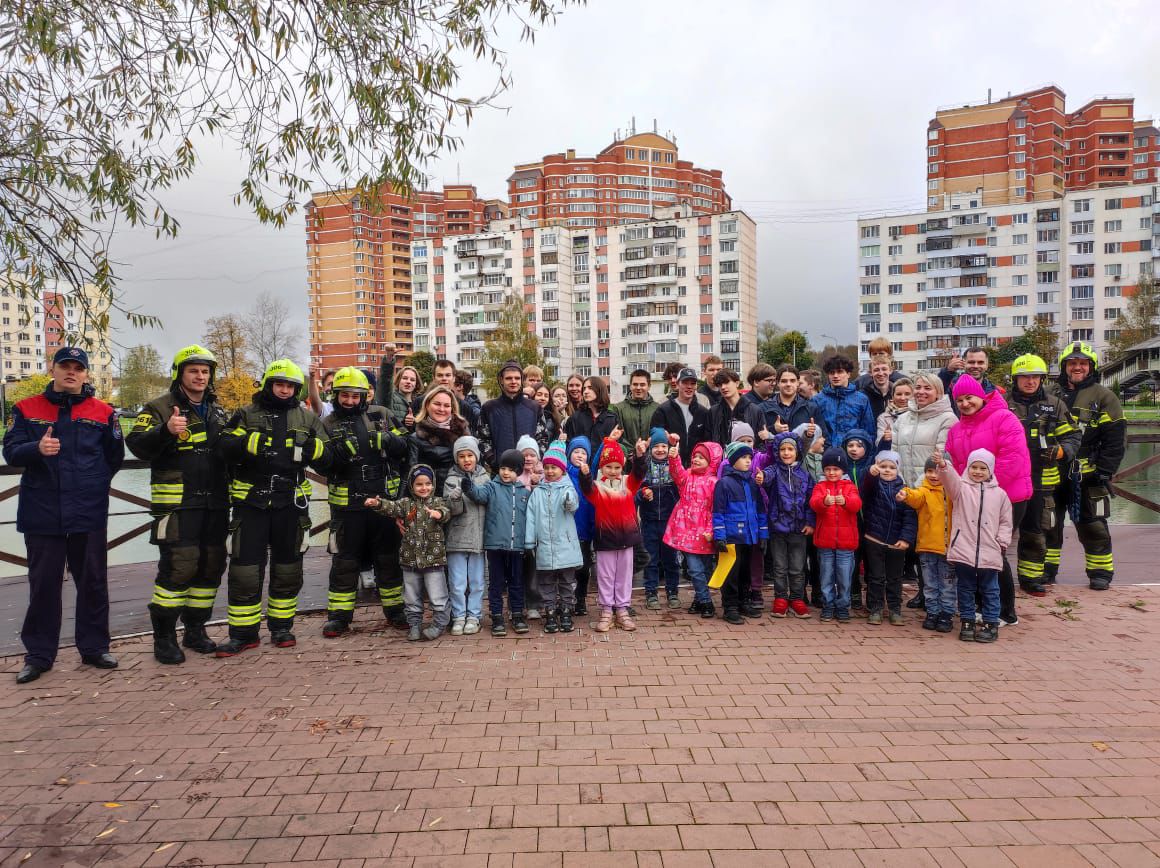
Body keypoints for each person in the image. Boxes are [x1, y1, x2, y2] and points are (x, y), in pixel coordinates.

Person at [4, 347, 124, 684]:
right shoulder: (27, 409)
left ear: (85, 374)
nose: (71, 372)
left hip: (87, 511)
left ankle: (95, 647)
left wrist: (93, 487)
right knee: (43, 586)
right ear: (52, 369)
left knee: (93, 583)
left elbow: (113, 458)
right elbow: (11, 452)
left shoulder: (104, 412)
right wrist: (36, 450)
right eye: (65, 366)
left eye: (78, 368)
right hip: (42, 513)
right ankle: (39, 656)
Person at [215, 359, 331, 656]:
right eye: (279, 384)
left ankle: (282, 628)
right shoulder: (245, 414)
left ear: (296, 388)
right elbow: (223, 448)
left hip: (290, 505)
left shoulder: (306, 418)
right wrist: (247, 443)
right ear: (268, 384)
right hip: (251, 502)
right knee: (245, 571)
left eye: (289, 385)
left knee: (288, 569)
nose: (283, 390)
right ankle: (243, 634)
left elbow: (331, 456)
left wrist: (313, 450)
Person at [126, 344, 230, 663]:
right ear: (179, 374)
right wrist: (166, 431)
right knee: (178, 568)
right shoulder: (158, 407)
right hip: (177, 505)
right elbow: (137, 445)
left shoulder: (218, 410)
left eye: (204, 371)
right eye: (193, 370)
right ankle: (164, 637)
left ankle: (195, 630)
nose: (200, 376)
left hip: (214, 503)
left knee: (211, 566)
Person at [319, 367, 409, 636]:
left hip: (382, 499)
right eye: (344, 395)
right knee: (345, 562)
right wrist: (338, 454)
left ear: (364, 396)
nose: (349, 401)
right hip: (348, 505)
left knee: (388, 558)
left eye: (355, 396)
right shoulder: (329, 423)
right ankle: (339, 617)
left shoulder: (381, 414)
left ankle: (395, 611)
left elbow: (406, 446)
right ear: (335, 395)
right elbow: (321, 463)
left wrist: (389, 439)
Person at [945, 374, 1031, 628]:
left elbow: (1012, 458)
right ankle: (983, 607)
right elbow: (960, 468)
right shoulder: (956, 430)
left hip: (1007, 496)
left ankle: (1005, 611)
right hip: (973, 502)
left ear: (981, 396)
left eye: (969, 397)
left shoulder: (1005, 418)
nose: (965, 403)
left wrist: (987, 492)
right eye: (959, 400)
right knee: (974, 552)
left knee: (994, 553)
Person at [1044, 342, 1126, 591]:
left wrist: (1105, 470)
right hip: (1052, 473)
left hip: (1088, 475)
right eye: (1072, 363)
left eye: (1082, 363)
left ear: (1091, 367)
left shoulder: (1104, 397)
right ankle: (1046, 570)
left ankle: (1100, 572)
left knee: (1094, 527)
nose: (1077, 367)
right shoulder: (1049, 393)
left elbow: (1115, 437)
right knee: (1048, 523)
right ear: (1064, 366)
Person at [1007, 354, 1080, 597]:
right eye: (1025, 377)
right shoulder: (1002, 403)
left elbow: (1072, 436)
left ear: (1042, 378)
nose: (1030, 381)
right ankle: (994, 578)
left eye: (1035, 377)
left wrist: (1062, 451)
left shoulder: (1055, 405)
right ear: (1015, 379)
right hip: (1008, 480)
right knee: (999, 531)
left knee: (1036, 531)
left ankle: (1030, 578)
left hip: (1041, 480)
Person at [365, 465, 451, 641]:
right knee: (411, 596)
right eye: (419, 484)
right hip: (409, 561)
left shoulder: (438, 502)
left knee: (437, 595)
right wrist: (378, 503)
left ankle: (439, 623)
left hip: (433, 561)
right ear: (412, 486)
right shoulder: (406, 504)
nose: (424, 488)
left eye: (428, 484)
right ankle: (414, 625)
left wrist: (438, 514)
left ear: (433, 484)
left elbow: (446, 512)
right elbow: (392, 507)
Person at [936, 449, 1012, 644]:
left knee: (991, 589)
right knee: (965, 587)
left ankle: (990, 623)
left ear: (990, 470)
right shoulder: (961, 489)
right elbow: (949, 481)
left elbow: (1005, 521)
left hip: (990, 550)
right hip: (964, 548)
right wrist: (944, 466)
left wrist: (1002, 542)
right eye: (974, 467)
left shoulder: (1000, 495)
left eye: (982, 468)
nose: (977, 472)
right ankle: (967, 621)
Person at [578, 436, 647, 632]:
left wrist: (640, 456)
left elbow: (639, 473)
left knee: (624, 576)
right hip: (605, 540)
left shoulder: (629, 484)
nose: (613, 471)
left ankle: (622, 610)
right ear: (602, 468)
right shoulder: (597, 488)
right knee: (606, 576)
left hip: (627, 539)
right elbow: (587, 489)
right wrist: (585, 475)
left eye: (617, 467)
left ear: (623, 467)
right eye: (609, 467)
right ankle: (607, 610)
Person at [462, 449, 532, 636]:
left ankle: (517, 614)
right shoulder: (491, 487)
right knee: (496, 583)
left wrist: (528, 541)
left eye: (510, 469)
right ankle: (497, 616)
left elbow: (529, 519)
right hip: (495, 545)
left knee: (516, 582)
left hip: (516, 546)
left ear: (518, 471)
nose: (506, 472)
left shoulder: (524, 493)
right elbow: (478, 495)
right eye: (502, 468)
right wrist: (468, 486)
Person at [525, 440, 582, 634]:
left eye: (554, 468)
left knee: (567, 581)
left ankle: (566, 610)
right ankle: (549, 610)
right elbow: (531, 517)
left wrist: (568, 500)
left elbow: (573, 505)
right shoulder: (537, 492)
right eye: (547, 467)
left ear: (562, 470)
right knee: (546, 582)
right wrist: (530, 541)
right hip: (545, 546)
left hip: (565, 545)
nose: (550, 471)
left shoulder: (568, 488)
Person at [664, 436, 723, 618]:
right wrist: (673, 457)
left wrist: (712, 530)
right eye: (695, 456)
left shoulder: (714, 483)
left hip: (705, 532)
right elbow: (676, 472)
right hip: (687, 531)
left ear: (711, 462)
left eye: (702, 457)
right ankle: (706, 602)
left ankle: (698, 599)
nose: (696, 459)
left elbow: (716, 509)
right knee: (694, 569)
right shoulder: (687, 477)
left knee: (705, 569)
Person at [859, 450, 917, 626]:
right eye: (883, 466)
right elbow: (865, 487)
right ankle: (875, 608)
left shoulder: (905, 491)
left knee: (895, 577)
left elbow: (910, 518)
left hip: (896, 543)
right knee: (875, 576)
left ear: (897, 469)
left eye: (891, 467)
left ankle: (894, 609)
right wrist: (871, 473)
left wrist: (906, 539)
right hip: (874, 539)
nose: (887, 470)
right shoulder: (874, 486)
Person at [713, 442, 768, 625]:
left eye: (750, 458)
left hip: (749, 536)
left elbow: (760, 510)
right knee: (731, 574)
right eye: (743, 458)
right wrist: (719, 535)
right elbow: (718, 512)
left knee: (745, 571)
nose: (748, 461)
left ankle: (744, 601)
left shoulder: (753, 483)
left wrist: (763, 534)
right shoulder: (724, 483)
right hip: (731, 536)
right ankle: (730, 606)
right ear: (734, 459)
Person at [763, 432, 815, 619]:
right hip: (778, 528)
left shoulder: (805, 474)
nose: (786, 453)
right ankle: (781, 598)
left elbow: (811, 500)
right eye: (783, 449)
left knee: (797, 567)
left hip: (799, 529)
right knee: (779, 566)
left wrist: (810, 522)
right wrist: (761, 476)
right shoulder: (773, 470)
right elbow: (766, 477)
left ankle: (796, 598)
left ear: (797, 451)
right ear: (777, 451)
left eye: (790, 449)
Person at [900, 457, 955, 633]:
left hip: (947, 548)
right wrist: (906, 494)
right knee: (930, 584)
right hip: (926, 547)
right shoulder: (924, 491)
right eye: (929, 471)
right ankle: (932, 612)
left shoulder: (952, 492)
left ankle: (946, 613)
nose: (933, 475)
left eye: (937, 471)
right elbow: (915, 497)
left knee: (947, 584)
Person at [809, 449, 862, 623]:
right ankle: (828, 605)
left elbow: (856, 505)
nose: (832, 473)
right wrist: (824, 502)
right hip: (825, 542)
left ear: (843, 470)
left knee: (844, 577)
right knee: (826, 576)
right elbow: (814, 504)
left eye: (836, 469)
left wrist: (845, 501)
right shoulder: (820, 487)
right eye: (828, 469)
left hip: (846, 543)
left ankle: (843, 606)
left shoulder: (850, 487)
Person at [443, 436, 489, 636]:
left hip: (478, 539)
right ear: (456, 459)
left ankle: (474, 616)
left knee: (478, 582)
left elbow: (488, 501)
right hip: (457, 539)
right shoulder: (451, 480)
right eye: (461, 456)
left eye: (470, 455)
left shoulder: (485, 478)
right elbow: (450, 510)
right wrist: (454, 499)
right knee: (457, 582)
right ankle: (459, 615)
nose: (466, 459)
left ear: (476, 456)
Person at [478, 360, 551, 470]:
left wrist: (534, 460)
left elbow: (542, 438)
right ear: (501, 380)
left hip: (528, 473)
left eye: (517, 378)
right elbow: (482, 439)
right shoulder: (489, 408)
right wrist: (494, 460)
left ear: (521, 380)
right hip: (501, 473)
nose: (513, 381)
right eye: (508, 378)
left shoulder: (534, 408)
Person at [888, 373, 957, 487]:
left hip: (931, 489)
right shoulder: (902, 419)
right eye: (918, 387)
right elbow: (894, 454)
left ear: (938, 393)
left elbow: (940, 457)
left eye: (927, 388)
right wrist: (900, 484)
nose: (921, 392)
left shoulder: (948, 419)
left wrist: (918, 489)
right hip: (904, 491)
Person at [637, 428, 680, 610]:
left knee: (671, 559)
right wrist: (643, 493)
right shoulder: (645, 465)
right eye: (656, 446)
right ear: (650, 448)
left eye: (664, 445)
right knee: (651, 559)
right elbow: (635, 483)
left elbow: (682, 475)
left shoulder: (673, 464)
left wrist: (677, 447)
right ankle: (651, 593)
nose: (660, 449)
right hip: (650, 520)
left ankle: (673, 592)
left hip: (670, 521)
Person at [407, 386, 470, 496]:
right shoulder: (416, 438)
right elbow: (409, 475)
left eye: (446, 405)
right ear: (427, 405)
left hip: (460, 499)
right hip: (430, 501)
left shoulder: (464, 434)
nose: (441, 409)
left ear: (452, 409)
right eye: (437, 404)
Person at [812, 355, 876, 445]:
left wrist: (865, 456)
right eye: (832, 372)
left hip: (853, 454)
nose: (835, 376)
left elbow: (869, 432)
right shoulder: (817, 400)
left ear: (848, 374)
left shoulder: (861, 400)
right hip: (826, 454)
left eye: (840, 372)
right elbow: (813, 431)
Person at [651, 367, 710, 465]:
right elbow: (655, 440)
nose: (689, 386)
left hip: (695, 469)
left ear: (696, 386)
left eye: (692, 383)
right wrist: (668, 441)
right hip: (669, 467)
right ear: (677, 384)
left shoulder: (703, 412)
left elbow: (707, 442)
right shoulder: (663, 410)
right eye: (685, 383)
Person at [565, 437, 596, 616]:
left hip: (585, 530)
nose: (579, 455)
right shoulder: (563, 473)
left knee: (583, 569)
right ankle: (567, 599)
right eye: (576, 451)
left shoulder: (589, 474)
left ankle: (581, 599)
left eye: (583, 453)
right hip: (568, 530)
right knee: (567, 569)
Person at [705, 369, 768, 449]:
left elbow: (761, 442)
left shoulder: (755, 410)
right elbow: (708, 442)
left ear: (737, 383)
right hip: (721, 460)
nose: (723, 387)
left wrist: (753, 459)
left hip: (748, 459)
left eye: (726, 382)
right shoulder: (713, 412)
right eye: (720, 385)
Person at [940, 347, 998, 416]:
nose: (976, 366)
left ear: (986, 365)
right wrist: (948, 371)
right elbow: (938, 390)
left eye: (980, 362)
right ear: (963, 364)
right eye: (971, 362)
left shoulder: (994, 392)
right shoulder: (952, 386)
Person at [563, 376, 619, 445]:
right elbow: (568, 443)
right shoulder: (575, 418)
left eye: (590, 388)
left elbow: (618, 444)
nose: (586, 392)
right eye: (584, 388)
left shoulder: (612, 418)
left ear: (599, 390)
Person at [612, 368, 659, 449]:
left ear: (649, 386)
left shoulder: (657, 408)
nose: (638, 387)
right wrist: (633, 453)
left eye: (642, 384)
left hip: (651, 457)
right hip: (627, 458)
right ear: (630, 386)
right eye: (635, 384)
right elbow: (617, 436)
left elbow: (659, 435)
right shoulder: (618, 409)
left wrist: (647, 450)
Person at [763, 365, 816, 435]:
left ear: (798, 382)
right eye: (784, 381)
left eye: (792, 381)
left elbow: (823, 437)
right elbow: (754, 438)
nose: (788, 384)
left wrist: (811, 434)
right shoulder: (763, 408)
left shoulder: (811, 407)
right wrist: (773, 429)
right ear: (777, 383)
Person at [875, 376, 913, 449]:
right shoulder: (884, 418)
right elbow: (878, 443)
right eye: (899, 394)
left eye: (907, 394)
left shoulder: (919, 414)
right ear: (892, 396)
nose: (903, 398)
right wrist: (885, 439)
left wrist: (894, 436)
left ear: (913, 395)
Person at [860, 358, 895, 423]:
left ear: (890, 371)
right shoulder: (862, 396)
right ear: (870, 372)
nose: (881, 373)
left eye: (884, 369)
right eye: (876, 370)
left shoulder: (898, 394)